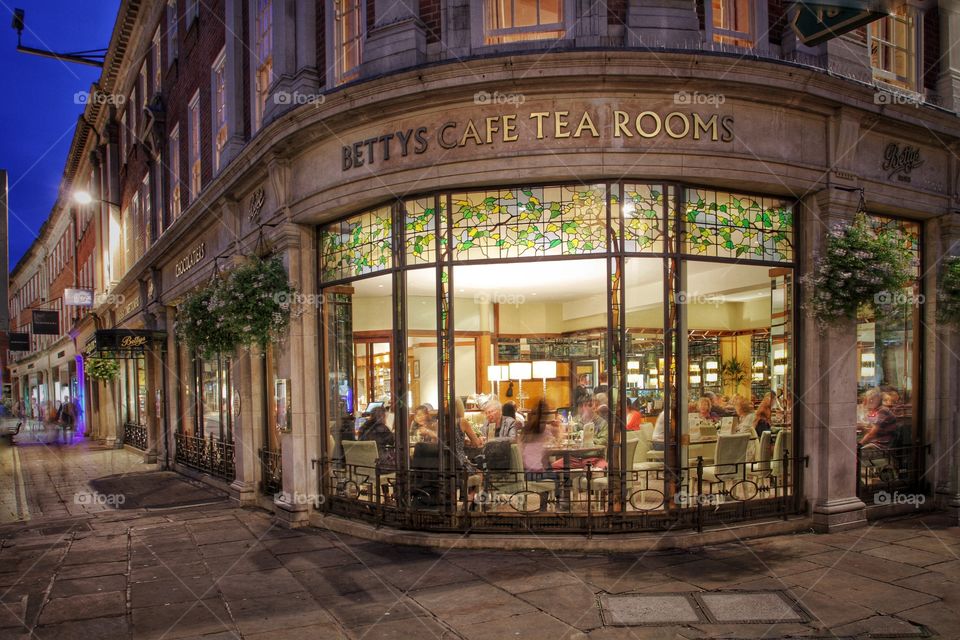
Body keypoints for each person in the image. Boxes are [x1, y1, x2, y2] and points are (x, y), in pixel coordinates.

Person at [519, 400, 561, 511]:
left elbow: (521, 451)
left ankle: (541, 506)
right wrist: (558, 430)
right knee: (556, 476)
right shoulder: (545, 429)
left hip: (524, 473)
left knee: (549, 468)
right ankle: (552, 505)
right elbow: (554, 446)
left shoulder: (525, 430)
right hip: (537, 473)